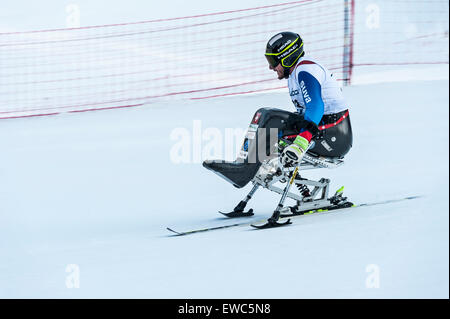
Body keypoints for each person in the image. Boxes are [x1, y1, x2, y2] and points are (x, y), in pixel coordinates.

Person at [264, 31, 353, 167]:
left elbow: (316, 106)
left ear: (287, 58)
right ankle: (252, 165)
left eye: (273, 61)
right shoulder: (294, 74)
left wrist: (300, 143)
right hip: (322, 126)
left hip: (335, 133)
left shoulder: (305, 69)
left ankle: (249, 167)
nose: (271, 67)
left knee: (268, 116)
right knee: (270, 119)